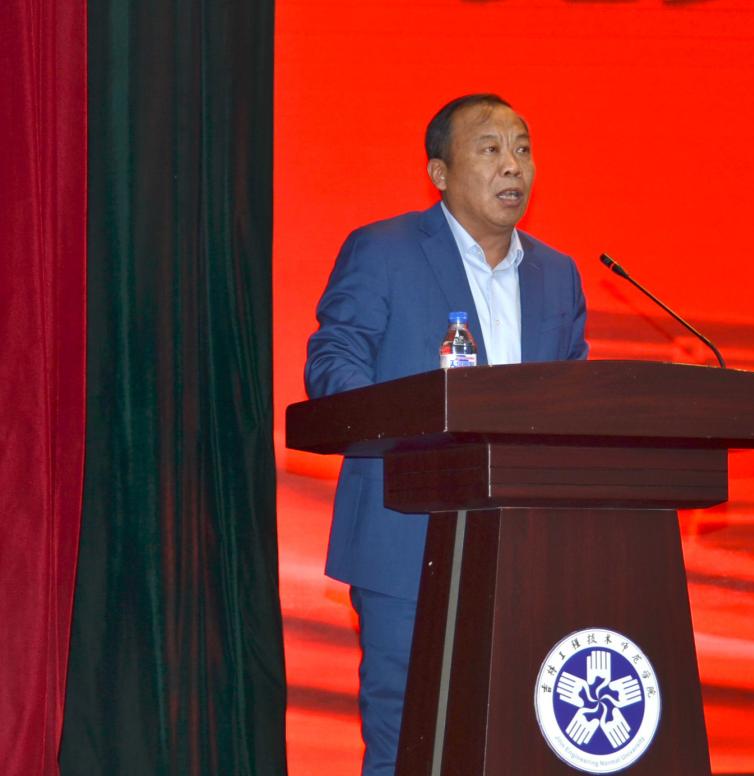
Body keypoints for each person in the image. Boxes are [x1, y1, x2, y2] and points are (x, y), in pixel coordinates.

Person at [304, 94, 588, 776]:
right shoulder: (383, 250)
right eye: (490, 149)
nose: (512, 165)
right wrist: (403, 421)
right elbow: (334, 359)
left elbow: (575, 398)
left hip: (525, 547)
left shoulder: (557, 274)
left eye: (522, 148)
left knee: (516, 740)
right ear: (440, 172)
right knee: (406, 740)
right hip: (407, 538)